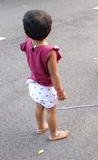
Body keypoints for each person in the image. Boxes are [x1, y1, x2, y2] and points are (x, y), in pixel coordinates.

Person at [20, 9, 69, 141]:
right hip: (46, 88)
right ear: (50, 28)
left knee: (38, 106)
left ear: (26, 31)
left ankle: (41, 127)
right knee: (51, 111)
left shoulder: (28, 41)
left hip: (34, 84)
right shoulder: (50, 51)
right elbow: (54, 75)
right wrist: (60, 92)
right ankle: (54, 134)